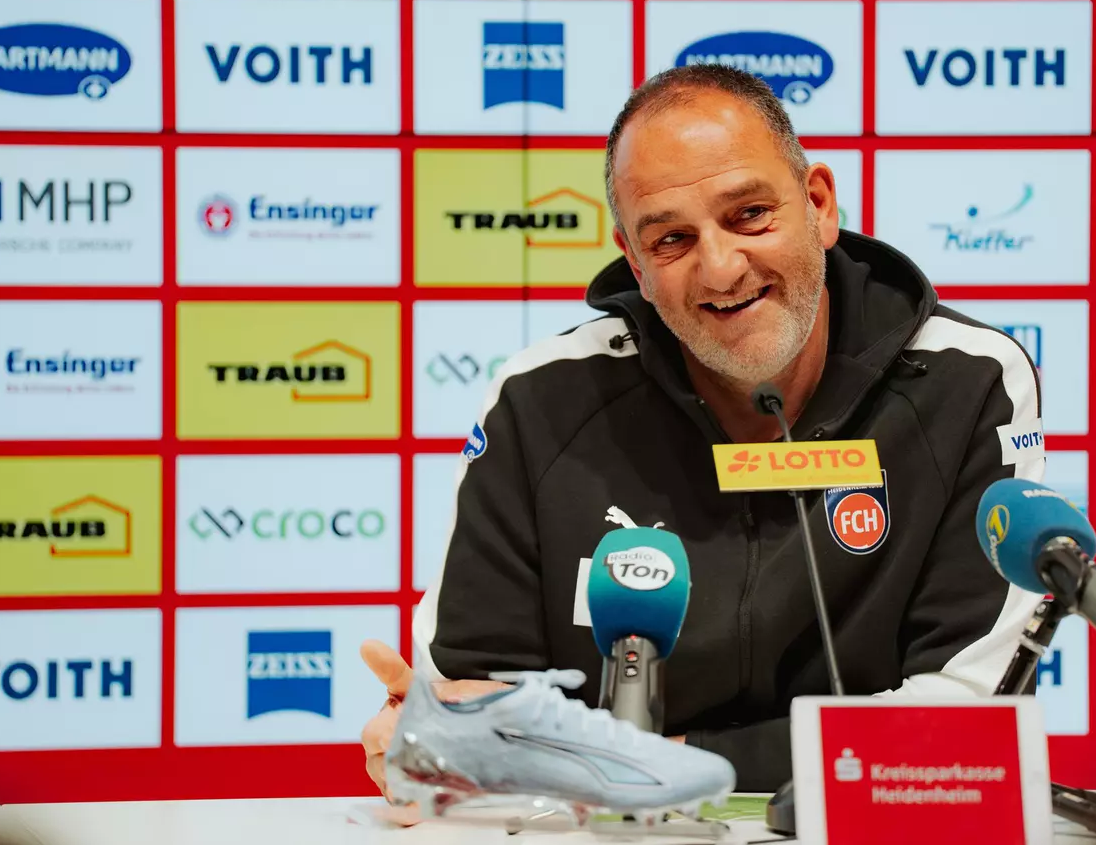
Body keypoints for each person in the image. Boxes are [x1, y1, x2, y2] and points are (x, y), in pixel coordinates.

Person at [361, 64, 1045, 796]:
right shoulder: (541, 399)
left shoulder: (966, 381)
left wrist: (664, 766)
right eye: (671, 240)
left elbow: (965, 724)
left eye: (749, 214)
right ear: (634, 261)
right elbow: (473, 702)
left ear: (818, 204)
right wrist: (431, 743)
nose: (720, 269)